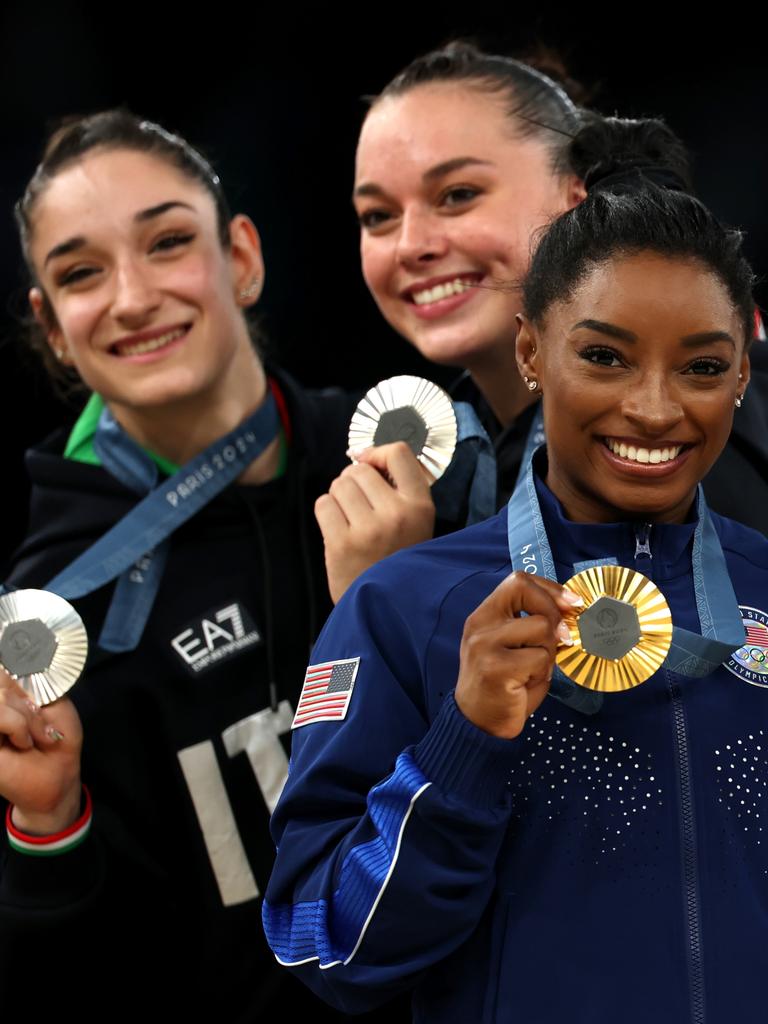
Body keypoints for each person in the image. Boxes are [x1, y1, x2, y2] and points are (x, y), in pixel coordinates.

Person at [263, 116, 768, 1023]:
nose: (654, 409)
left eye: (701, 367)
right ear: (532, 351)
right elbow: (319, 939)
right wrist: (463, 745)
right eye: (605, 357)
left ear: (739, 378)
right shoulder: (402, 603)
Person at [0, 111, 408, 1021]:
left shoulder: (408, 471)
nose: (134, 296)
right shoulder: (47, 628)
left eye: (168, 242)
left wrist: (403, 605)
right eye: (80, 273)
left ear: (244, 258)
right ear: (54, 328)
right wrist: (44, 826)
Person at [316, 43, 768, 603]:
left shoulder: (672, 437)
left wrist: (395, 598)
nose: (411, 245)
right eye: (378, 216)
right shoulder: (453, 461)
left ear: (575, 201)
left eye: (458, 195)